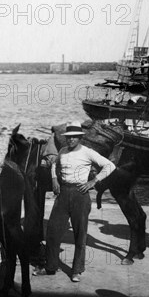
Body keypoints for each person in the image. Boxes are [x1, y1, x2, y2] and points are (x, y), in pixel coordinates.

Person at [34, 121, 116, 282]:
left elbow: (109, 166)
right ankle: (51, 267)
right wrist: (54, 179)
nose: (70, 140)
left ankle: (77, 270)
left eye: (74, 138)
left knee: (80, 234)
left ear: (79, 138)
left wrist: (93, 181)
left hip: (80, 195)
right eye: (68, 137)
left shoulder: (88, 152)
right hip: (63, 194)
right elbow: (54, 165)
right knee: (52, 232)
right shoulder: (63, 151)